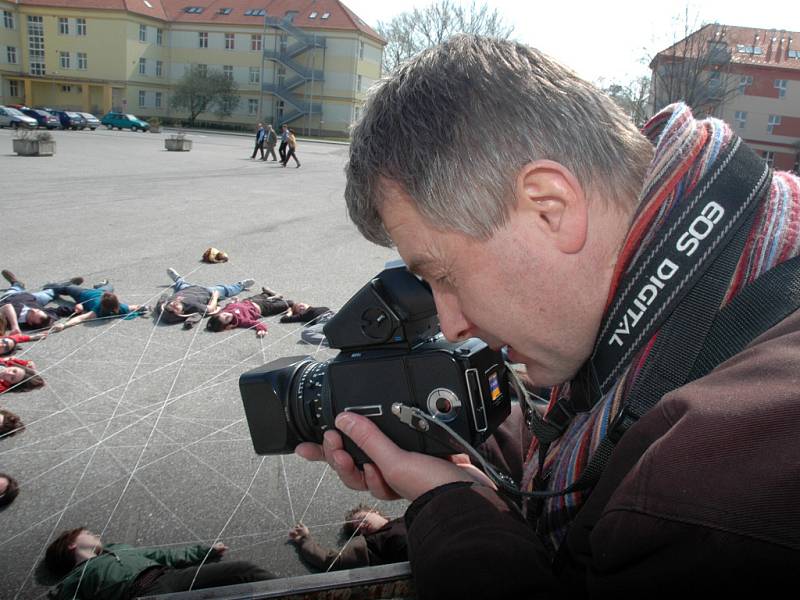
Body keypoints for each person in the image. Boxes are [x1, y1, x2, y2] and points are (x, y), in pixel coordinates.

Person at [295, 35, 800, 597]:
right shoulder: (741, 258)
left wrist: (452, 511)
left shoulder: (705, 485)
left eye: (444, 276)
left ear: (549, 207)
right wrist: (445, 438)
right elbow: (600, 423)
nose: (451, 323)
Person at [45, 528, 274, 599]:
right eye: (86, 532)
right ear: (71, 544)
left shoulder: (118, 549)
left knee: (244, 571)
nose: (94, 533)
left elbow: (163, 555)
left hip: (169, 576)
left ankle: (303, 594)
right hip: (140, 593)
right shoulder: (74, 578)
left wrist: (204, 551)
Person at [288, 504, 407, 570]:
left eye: (361, 518)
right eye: (358, 528)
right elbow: (330, 561)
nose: (361, 525)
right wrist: (305, 539)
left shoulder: (406, 518)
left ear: (374, 512)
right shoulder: (370, 547)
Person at [154, 269, 255, 328]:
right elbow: (210, 309)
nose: (174, 305)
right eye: (176, 309)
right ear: (182, 312)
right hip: (207, 291)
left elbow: (161, 304)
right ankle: (241, 285)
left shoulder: (166, 304)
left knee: (181, 284)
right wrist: (215, 297)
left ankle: (178, 279)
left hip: (186, 288)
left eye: (170, 305)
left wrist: (164, 300)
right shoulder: (194, 307)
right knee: (226, 289)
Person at [45, 281, 148, 332]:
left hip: (93, 293)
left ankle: (101, 285)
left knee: (109, 287)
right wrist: (64, 325)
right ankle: (51, 286)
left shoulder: (101, 310)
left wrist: (143, 307)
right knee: (67, 289)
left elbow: (80, 318)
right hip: (91, 293)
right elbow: (80, 318)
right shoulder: (117, 308)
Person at [0, 270, 80, 331]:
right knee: (50, 293)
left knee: (16, 287)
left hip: (11, 296)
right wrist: (77, 310)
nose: (35, 311)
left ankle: (16, 283)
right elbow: (59, 311)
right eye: (38, 311)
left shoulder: (11, 321)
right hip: (33, 299)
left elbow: (7, 307)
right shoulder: (43, 315)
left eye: (34, 314)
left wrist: (15, 327)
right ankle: (67, 285)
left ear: (30, 322)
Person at [206, 287, 292, 337]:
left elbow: (229, 305)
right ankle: (276, 298)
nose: (227, 315)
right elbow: (255, 323)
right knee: (289, 303)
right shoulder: (241, 321)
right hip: (264, 308)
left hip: (251, 300)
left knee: (264, 295)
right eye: (227, 319)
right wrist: (261, 329)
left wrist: (234, 301)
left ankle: (270, 295)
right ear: (228, 324)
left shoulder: (225, 310)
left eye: (224, 314)